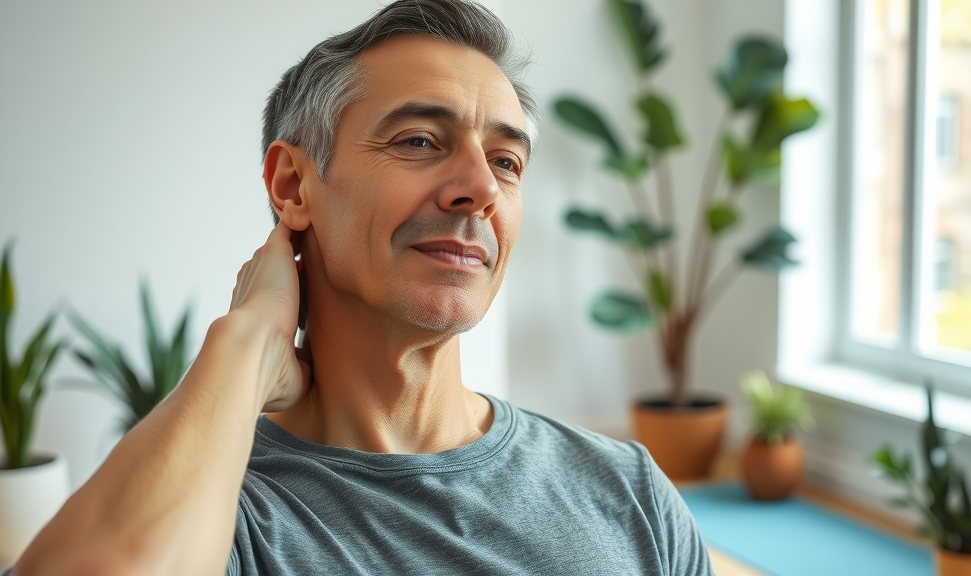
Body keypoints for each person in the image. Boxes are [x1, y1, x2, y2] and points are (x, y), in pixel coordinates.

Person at [11, 1, 715, 575]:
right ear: (293, 185)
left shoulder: (629, 494)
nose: (479, 190)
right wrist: (247, 344)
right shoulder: (222, 516)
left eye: (505, 161)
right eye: (418, 141)